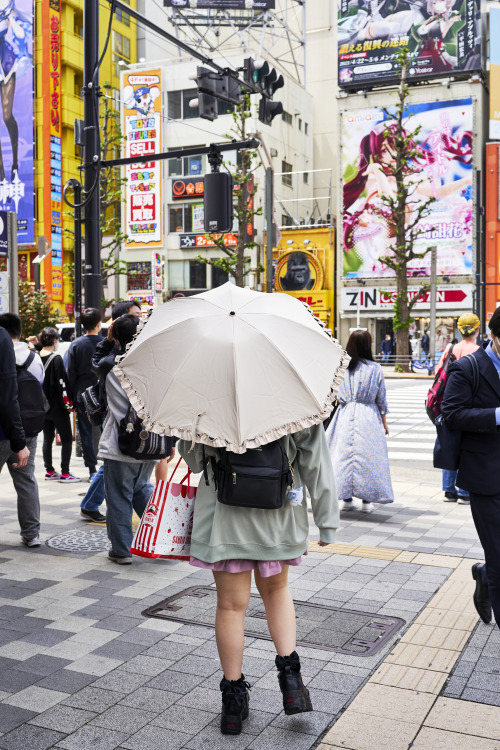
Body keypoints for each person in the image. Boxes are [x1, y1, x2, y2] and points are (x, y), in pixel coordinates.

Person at [178, 423, 338, 735]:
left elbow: (194, 461)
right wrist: (327, 522)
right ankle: (291, 682)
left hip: (224, 520)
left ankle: (233, 704)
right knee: (277, 590)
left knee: (230, 606)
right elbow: (315, 461)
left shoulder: (208, 400)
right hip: (277, 517)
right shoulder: (292, 397)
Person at [441, 306, 500, 628]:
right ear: (492, 335)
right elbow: (452, 414)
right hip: (486, 476)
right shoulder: (467, 368)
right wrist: (496, 415)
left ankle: (485, 576)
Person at [98, 314, 173, 564]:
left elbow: (96, 360)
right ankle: (161, 538)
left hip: (120, 444)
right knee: (141, 489)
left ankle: (121, 550)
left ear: (117, 339)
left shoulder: (112, 364)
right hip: (152, 441)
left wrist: (109, 341)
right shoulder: (157, 365)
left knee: (119, 496)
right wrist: (170, 442)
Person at [79, 300, 142, 521]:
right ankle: (155, 525)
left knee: (126, 483)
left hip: (130, 430)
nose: (140, 320)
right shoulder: (117, 360)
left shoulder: (111, 360)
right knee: (133, 485)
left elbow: (96, 362)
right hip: (124, 427)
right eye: (135, 316)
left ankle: (90, 504)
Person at [327, 329, 393, 512]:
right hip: (368, 416)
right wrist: (384, 422)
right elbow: (381, 398)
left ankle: (345, 498)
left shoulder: (341, 366)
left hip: (344, 415)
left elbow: (332, 393)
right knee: (369, 457)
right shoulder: (374, 368)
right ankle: (366, 500)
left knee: (342, 456)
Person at [0, 316, 41, 546]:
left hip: (3, 431)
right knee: (26, 480)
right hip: (27, 430)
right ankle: (31, 534)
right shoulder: (34, 358)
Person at [438, 313, 480, 505]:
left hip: (447, 404)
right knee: (467, 447)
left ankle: (448, 490)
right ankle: (464, 491)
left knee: (449, 444)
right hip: (470, 406)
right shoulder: (479, 351)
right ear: (477, 329)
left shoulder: (451, 349)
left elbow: (439, 374)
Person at [66, 308, 104, 484]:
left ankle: (92, 470)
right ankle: (108, 466)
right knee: (107, 429)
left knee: (86, 433)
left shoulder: (76, 344)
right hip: (103, 393)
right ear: (99, 324)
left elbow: (70, 373)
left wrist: (72, 397)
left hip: (82, 395)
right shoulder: (105, 343)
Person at [39, 327, 79, 483]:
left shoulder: (36, 356)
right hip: (57, 406)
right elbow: (62, 384)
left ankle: (49, 470)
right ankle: (65, 472)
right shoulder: (56, 359)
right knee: (67, 439)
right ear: (55, 340)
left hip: (42, 406)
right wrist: (69, 404)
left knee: (47, 439)